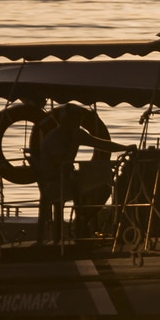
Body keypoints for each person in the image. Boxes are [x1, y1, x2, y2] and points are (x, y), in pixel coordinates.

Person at [35, 102, 118, 246]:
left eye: (79, 120)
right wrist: (74, 144)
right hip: (53, 183)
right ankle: (75, 231)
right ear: (65, 120)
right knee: (77, 191)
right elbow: (63, 163)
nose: (78, 123)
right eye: (75, 120)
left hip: (69, 180)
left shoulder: (78, 133)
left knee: (104, 187)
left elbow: (102, 144)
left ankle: (83, 226)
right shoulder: (53, 138)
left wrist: (126, 148)